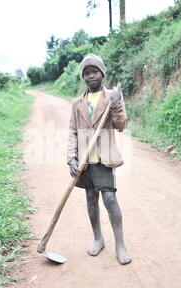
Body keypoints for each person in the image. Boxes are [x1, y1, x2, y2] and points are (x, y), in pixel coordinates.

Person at [67, 54, 131, 265]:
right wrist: (71, 159)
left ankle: (120, 245)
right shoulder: (78, 103)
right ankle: (98, 238)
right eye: (86, 73)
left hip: (103, 159)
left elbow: (121, 125)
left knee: (110, 199)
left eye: (94, 71)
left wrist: (116, 105)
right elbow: (72, 132)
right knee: (91, 200)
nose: (90, 75)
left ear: (102, 74)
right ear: (83, 77)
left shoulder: (112, 96)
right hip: (85, 161)